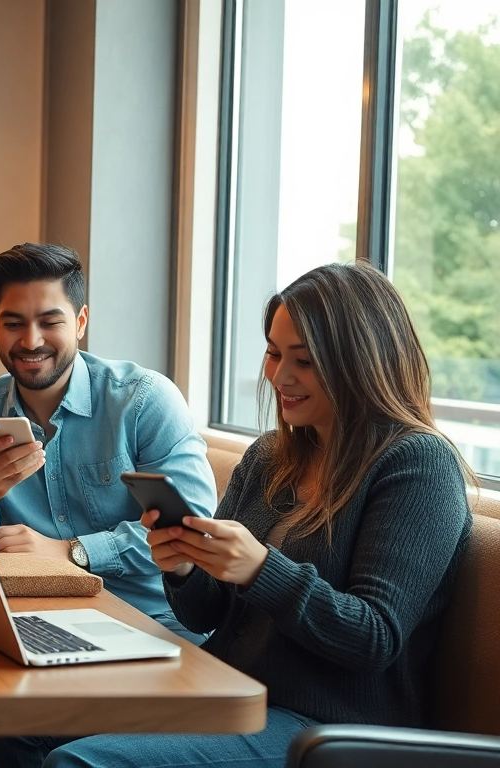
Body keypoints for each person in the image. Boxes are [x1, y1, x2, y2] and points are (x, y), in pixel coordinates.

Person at [36, 262, 473, 768]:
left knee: (80, 763)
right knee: (26, 723)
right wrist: (181, 566)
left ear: (361, 362)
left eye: (304, 361)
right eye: (273, 353)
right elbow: (205, 615)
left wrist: (262, 568)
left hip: (328, 728)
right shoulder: (270, 457)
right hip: (228, 694)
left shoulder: (416, 464)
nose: (280, 376)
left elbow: (375, 637)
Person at [0, 244, 215, 647]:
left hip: (154, 621)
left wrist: (71, 552)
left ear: (81, 321)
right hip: (28, 620)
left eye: (49, 321)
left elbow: (190, 529)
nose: (31, 340)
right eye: (14, 323)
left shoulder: (143, 402)